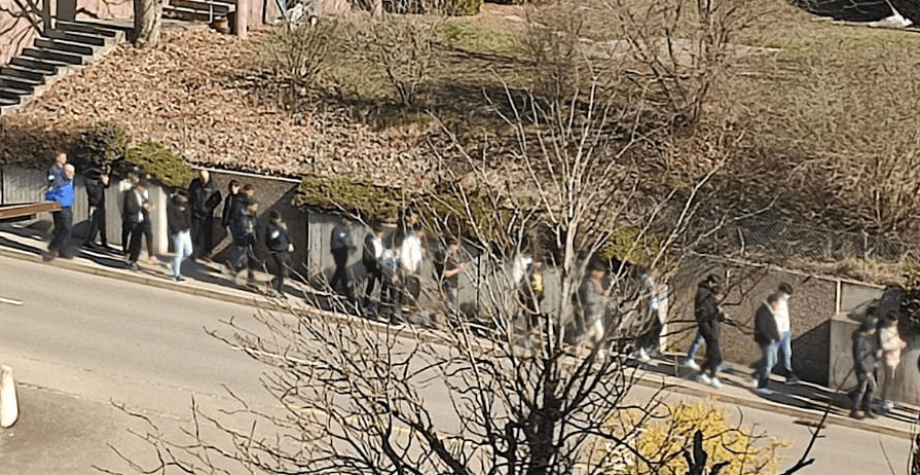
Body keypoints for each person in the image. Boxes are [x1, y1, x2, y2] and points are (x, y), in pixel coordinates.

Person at [694, 274, 725, 389]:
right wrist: (709, 332)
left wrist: (721, 314)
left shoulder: (710, 298)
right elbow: (703, 315)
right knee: (716, 356)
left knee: (711, 355)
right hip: (709, 329)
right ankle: (713, 377)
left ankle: (701, 373)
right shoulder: (704, 295)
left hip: (713, 329)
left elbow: (715, 315)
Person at [851, 307, 881, 419]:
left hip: (869, 366)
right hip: (863, 368)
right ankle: (855, 409)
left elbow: (871, 350)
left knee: (870, 388)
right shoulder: (860, 339)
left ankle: (866, 407)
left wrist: (876, 353)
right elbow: (859, 356)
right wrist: (866, 370)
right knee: (863, 388)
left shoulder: (868, 338)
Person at [44, 162, 75, 261]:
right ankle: (53, 246)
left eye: (73, 172)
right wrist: (52, 203)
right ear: (64, 171)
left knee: (65, 230)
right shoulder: (58, 180)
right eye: (69, 172)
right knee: (65, 228)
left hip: (68, 206)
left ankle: (62, 250)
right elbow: (49, 192)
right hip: (60, 207)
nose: (71, 174)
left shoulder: (71, 180)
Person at [752, 293, 782, 395]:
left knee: (773, 361)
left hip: (772, 340)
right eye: (777, 303)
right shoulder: (763, 311)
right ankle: (762, 385)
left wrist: (777, 337)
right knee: (767, 364)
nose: (778, 306)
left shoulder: (769, 310)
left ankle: (755, 375)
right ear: (773, 302)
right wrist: (770, 338)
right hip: (766, 341)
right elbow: (762, 327)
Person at [188, 170, 221, 260]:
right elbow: (189, 194)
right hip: (195, 213)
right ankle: (194, 253)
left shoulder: (213, 185)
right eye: (201, 177)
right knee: (195, 234)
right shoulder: (195, 183)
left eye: (204, 177)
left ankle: (207, 254)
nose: (202, 179)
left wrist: (209, 208)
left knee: (207, 235)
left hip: (207, 215)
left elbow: (218, 198)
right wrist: (192, 206)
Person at [576, 260, 607, 357]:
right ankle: (599, 353)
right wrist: (601, 297)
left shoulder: (597, 283)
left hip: (597, 311)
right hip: (590, 311)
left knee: (589, 332)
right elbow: (588, 297)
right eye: (600, 272)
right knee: (599, 332)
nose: (601, 275)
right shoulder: (587, 283)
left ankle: (577, 348)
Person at [877, 311, 906, 414]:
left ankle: (889, 398)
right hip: (888, 359)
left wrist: (901, 343)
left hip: (896, 358)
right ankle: (884, 399)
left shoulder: (894, 330)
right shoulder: (883, 331)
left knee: (894, 380)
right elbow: (885, 346)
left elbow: (897, 340)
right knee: (888, 380)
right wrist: (896, 345)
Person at [771, 282, 800, 384]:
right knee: (773, 356)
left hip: (786, 332)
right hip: (777, 332)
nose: (787, 296)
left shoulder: (783, 301)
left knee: (787, 354)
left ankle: (790, 375)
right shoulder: (775, 300)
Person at [633, 267, 662, 363]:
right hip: (648, 308)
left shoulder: (652, 282)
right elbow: (644, 295)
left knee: (657, 327)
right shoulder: (645, 281)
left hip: (654, 307)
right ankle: (640, 349)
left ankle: (650, 348)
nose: (657, 273)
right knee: (646, 329)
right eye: (655, 271)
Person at [228, 198, 259, 285]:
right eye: (255, 207)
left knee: (251, 259)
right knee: (241, 259)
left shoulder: (252, 216)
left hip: (250, 240)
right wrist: (243, 236)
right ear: (249, 206)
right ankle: (234, 272)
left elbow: (254, 226)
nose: (256, 209)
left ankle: (249, 275)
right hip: (243, 240)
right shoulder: (241, 216)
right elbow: (241, 228)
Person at [265, 210, 294, 297]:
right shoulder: (270, 228)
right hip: (276, 251)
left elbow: (287, 235)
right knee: (282, 271)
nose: (279, 220)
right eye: (277, 219)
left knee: (289, 268)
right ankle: (278, 290)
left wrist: (290, 243)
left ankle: (274, 282)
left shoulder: (282, 227)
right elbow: (273, 237)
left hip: (285, 251)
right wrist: (281, 229)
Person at [166, 189, 193, 282]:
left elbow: (188, 217)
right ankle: (176, 274)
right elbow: (171, 219)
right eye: (184, 198)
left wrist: (188, 227)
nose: (185, 200)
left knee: (189, 252)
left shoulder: (185, 205)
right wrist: (177, 230)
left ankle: (173, 264)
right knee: (179, 253)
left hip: (186, 231)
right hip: (177, 233)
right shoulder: (172, 205)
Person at [123, 180, 148, 271]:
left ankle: (134, 259)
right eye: (142, 188)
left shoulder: (141, 196)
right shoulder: (130, 194)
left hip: (140, 220)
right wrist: (141, 207)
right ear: (138, 186)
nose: (143, 190)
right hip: (133, 220)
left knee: (137, 241)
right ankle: (132, 260)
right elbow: (129, 208)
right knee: (135, 241)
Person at [436, 236, 464, 315]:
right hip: (448, 285)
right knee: (450, 307)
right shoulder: (444, 257)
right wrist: (458, 269)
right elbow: (446, 274)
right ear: (450, 245)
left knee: (449, 306)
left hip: (452, 284)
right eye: (455, 245)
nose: (457, 248)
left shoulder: (451, 257)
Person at [84, 165, 110, 250]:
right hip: (93, 205)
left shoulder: (98, 182)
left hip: (100, 205)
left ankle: (104, 241)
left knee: (102, 224)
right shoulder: (89, 182)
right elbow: (94, 193)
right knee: (92, 224)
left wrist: (106, 179)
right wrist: (101, 183)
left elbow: (107, 186)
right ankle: (88, 241)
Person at [362, 221, 385, 315]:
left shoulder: (380, 241)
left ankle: (381, 307)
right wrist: (368, 266)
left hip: (380, 266)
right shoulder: (369, 239)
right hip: (372, 266)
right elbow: (366, 255)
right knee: (370, 286)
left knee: (384, 285)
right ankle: (365, 306)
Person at [399, 222, 425, 308]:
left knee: (416, 290)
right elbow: (404, 256)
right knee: (409, 290)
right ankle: (405, 307)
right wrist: (406, 269)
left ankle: (412, 307)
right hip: (410, 270)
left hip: (417, 269)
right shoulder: (408, 241)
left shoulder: (418, 241)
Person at [329, 217, 355, 299]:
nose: (350, 223)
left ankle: (331, 286)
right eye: (349, 221)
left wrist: (351, 246)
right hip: (338, 252)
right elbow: (336, 241)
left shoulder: (347, 230)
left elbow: (348, 240)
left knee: (339, 270)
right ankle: (346, 291)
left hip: (344, 252)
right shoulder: (337, 229)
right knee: (342, 270)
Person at [119, 167, 141, 256]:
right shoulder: (124, 183)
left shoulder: (139, 184)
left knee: (134, 232)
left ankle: (132, 249)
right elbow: (120, 199)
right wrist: (121, 212)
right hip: (127, 211)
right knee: (125, 231)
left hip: (136, 213)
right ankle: (125, 249)